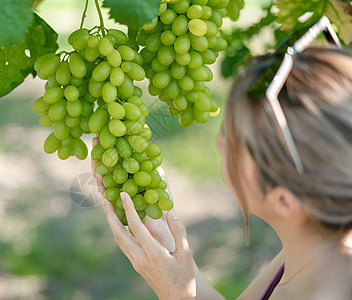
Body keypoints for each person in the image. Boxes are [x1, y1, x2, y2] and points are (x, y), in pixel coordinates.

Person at [91, 20, 352, 299]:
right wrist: (173, 256)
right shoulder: (312, 252)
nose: (218, 143)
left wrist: (175, 294)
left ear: (283, 201)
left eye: (232, 140)